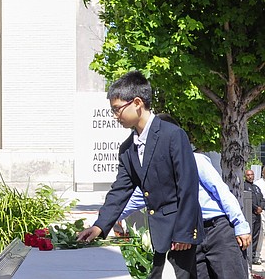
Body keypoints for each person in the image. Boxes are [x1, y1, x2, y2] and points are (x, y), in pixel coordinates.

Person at [76, 71, 203, 279]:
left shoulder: (173, 135)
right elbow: (120, 191)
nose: (115, 116)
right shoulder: (127, 148)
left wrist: (184, 232)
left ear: (137, 102)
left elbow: (188, 186)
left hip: (180, 235)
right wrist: (100, 225)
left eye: (117, 109)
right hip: (158, 234)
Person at [119, 116, 251, 279]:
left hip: (218, 230)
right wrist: (104, 223)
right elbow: (135, 199)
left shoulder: (196, 160)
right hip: (191, 236)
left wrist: (240, 225)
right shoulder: (153, 172)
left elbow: (222, 192)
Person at [245, 169, 264, 265]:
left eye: (252, 175)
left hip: (258, 215)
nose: (250, 176)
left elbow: (262, 199)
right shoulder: (244, 186)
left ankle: (253, 256)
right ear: (245, 176)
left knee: (256, 235)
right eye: (248, 175)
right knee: (250, 234)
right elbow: (249, 201)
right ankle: (247, 256)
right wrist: (255, 208)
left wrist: (261, 207)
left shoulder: (256, 187)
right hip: (250, 214)